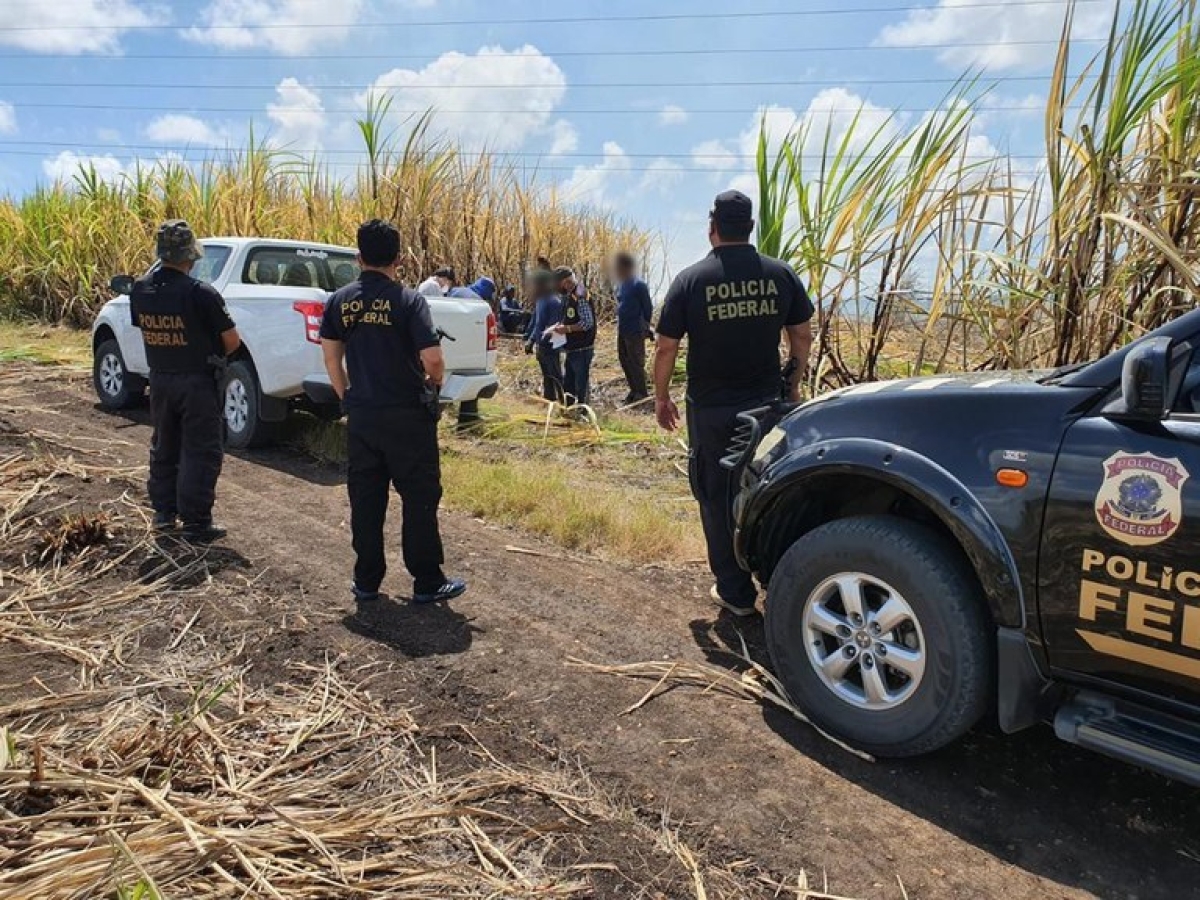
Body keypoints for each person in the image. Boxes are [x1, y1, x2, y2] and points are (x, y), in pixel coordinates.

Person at [654, 190, 813, 617]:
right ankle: (781, 582)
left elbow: (667, 346)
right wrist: (793, 384)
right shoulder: (781, 274)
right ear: (751, 227)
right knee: (772, 489)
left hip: (712, 410)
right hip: (768, 406)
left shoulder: (691, 280)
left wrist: (661, 396)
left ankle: (736, 592)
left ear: (713, 228)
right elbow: (801, 335)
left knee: (716, 494)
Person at [319, 220, 467, 607]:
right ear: (398, 259)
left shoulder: (340, 301)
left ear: (358, 257)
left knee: (366, 498)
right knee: (418, 497)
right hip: (407, 417)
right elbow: (433, 358)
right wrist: (435, 382)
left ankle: (366, 580)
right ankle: (426, 581)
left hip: (363, 416)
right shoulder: (408, 300)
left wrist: (346, 395)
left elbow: (331, 357)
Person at [130, 220, 241, 542]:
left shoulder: (141, 289)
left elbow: (147, 328)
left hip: (161, 379)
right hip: (197, 382)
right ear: (191, 256)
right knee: (200, 451)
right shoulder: (201, 293)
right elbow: (231, 340)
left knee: (164, 445)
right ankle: (196, 522)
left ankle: (164, 513)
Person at [613, 252, 654, 405]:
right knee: (624, 360)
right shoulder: (623, 284)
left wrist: (645, 327)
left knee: (636, 363)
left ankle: (641, 393)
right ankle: (633, 390)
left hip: (635, 330)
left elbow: (647, 308)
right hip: (622, 329)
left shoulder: (639, 285)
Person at [552, 266, 596, 407]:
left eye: (558, 284)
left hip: (582, 349)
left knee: (581, 385)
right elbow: (570, 317)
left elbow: (587, 322)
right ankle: (569, 410)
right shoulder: (568, 296)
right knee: (568, 384)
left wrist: (567, 329)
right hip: (572, 349)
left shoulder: (580, 294)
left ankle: (584, 412)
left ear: (565, 281)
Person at [523, 268, 565, 403]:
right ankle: (549, 401)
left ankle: (565, 402)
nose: (533, 287)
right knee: (547, 376)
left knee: (556, 376)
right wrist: (531, 341)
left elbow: (554, 326)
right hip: (541, 346)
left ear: (544, 285)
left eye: (535, 284)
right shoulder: (540, 301)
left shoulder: (554, 302)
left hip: (551, 346)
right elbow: (537, 323)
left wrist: (543, 341)